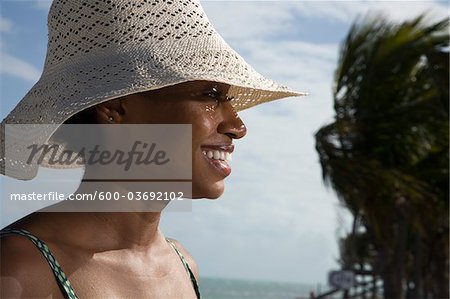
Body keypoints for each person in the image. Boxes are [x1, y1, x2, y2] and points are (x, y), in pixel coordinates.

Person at [0, 0, 304, 298]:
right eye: (210, 94)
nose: (238, 127)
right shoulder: (19, 270)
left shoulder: (183, 265)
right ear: (113, 107)